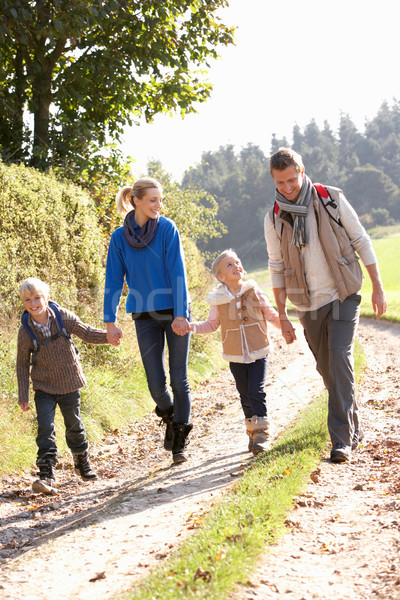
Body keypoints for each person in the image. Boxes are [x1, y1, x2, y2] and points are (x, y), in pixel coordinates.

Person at [264, 147, 387, 463]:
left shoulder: (329, 198)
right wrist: (282, 315)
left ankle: (341, 440)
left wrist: (377, 287)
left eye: (292, 180)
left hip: (344, 292)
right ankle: (351, 418)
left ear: (302, 171)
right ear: (274, 182)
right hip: (307, 304)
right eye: (281, 184)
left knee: (338, 355)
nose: (288, 188)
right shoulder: (275, 217)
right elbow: (276, 265)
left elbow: (360, 239)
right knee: (326, 367)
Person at [104, 177, 192, 464]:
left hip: (174, 312)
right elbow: (114, 279)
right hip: (143, 315)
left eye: (160, 199)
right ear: (136, 201)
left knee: (179, 379)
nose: (159, 205)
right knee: (156, 383)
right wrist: (110, 320)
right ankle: (169, 417)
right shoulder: (119, 238)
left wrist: (181, 313)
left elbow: (177, 271)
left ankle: (179, 438)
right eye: (153, 200)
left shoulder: (167, 229)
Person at [17, 277, 110, 495]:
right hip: (44, 388)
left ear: (46, 297)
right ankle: (46, 473)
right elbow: (22, 365)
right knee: (45, 429)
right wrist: (23, 395)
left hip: (69, 383)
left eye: (37, 298)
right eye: (27, 300)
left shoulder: (62, 317)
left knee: (74, 425)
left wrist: (110, 337)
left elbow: (86, 332)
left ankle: (81, 462)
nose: (33, 304)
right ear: (23, 303)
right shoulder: (26, 331)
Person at [189, 249, 281, 454]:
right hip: (234, 354)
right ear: (220, 276)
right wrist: (190, 327)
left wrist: (286, 327)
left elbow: (270, 314)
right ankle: (252, 431)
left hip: (258, 350)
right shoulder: (218, 299)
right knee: (244, 394)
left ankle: (262, 433)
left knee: (256, 390)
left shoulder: (253, 290)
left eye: (237, 262)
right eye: (229, 265)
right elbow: (211, 325)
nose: (236, 266)